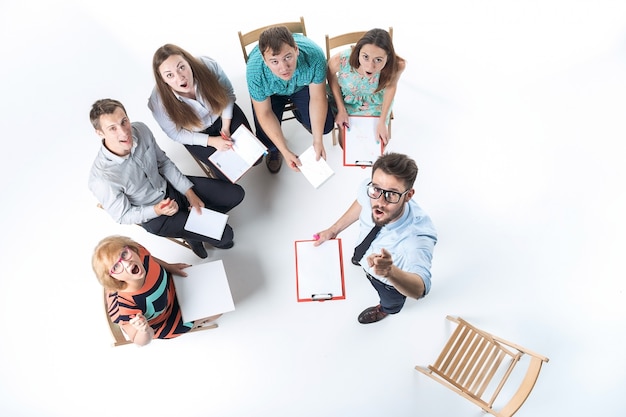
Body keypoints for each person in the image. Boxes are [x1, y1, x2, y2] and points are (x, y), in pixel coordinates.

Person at [88, 98, 245, 259]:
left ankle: (196, 228)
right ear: (100, 133)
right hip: (156, 215)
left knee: (236, 194)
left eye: (124, 121)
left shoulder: (140, 130)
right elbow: (123, 215)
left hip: (170, 188)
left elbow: (163, 163)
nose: (123, 132)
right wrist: (156, 210)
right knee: (227, 236)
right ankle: (193, 233)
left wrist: (189, 193)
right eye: (112, 128)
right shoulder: (101, 179)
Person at [313, 153, 436, 324]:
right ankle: (359, 260)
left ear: (408, 195)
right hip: (365, 249)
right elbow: (362, 201)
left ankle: (385, 309)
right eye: (376, 189)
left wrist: (390, 272)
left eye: (392, 194)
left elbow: (420, 289)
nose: (380, 202)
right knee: (359, 255)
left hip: (388, 282)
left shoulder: (416, 238)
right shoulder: (369, 189)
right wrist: (334, 230)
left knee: (391, 301)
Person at [149, 44, 254, 181]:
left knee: (254, 157)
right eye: (170, 75)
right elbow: (175, 133)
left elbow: (227, 93)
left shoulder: (207, 65)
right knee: (229, 175)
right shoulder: (158, 102)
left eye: (181, 67)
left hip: (222, 115)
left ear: (188, 62)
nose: (180, 78)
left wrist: (226, 126)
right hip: (197, 134)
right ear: (162, 79)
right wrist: (212, 142)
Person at [92, 235, 221, 346]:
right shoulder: (125, 306)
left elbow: (150, 258)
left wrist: (170, 267)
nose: (127, 263)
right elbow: (139, 341)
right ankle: (199, 321)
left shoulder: (138, 252)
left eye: (124, 254)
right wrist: (144, 330)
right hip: (165, 320)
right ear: (113, 278)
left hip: (170, 287)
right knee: (217, 310)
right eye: (116, 266)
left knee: (213, 284)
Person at [246, 25, 335, 173]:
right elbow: (265, 113)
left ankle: (301, 114)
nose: (283, 68)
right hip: (272, 93)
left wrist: (317, 140)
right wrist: (285, 151)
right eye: (274, 61)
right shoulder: (254, 72)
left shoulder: (315, 57)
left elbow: (318, 97)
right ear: (264, 60)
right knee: (266, 141)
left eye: (288, 57)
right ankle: (275, 150)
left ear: (296, 50)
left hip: (300, 86)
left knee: (325, 126)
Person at [326, 28, 405, 147]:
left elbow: (391, 87)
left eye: (378, 60)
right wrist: (341, 109)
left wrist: (382, 121)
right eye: (365, 57)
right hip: (346, 101)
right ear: (358, 52)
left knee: (377, 144)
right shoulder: (340, 60)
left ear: (388, 57)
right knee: (346, 145)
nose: (370, 66)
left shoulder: (397, 65)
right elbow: (330, 76)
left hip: (375, 103)